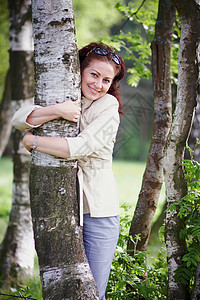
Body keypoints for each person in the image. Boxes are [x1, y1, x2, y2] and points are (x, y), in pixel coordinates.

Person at [12, 42, 125, 299]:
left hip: (98, 214)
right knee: (61, 289)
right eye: (94, 75)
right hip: (62, 209)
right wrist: (57, 110)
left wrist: (34, 142)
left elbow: (81, 146)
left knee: (92, 291)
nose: (98, 84)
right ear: (80, 70)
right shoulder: (64, 93)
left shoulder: (107, 107)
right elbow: (18, 119)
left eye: (106, 80)